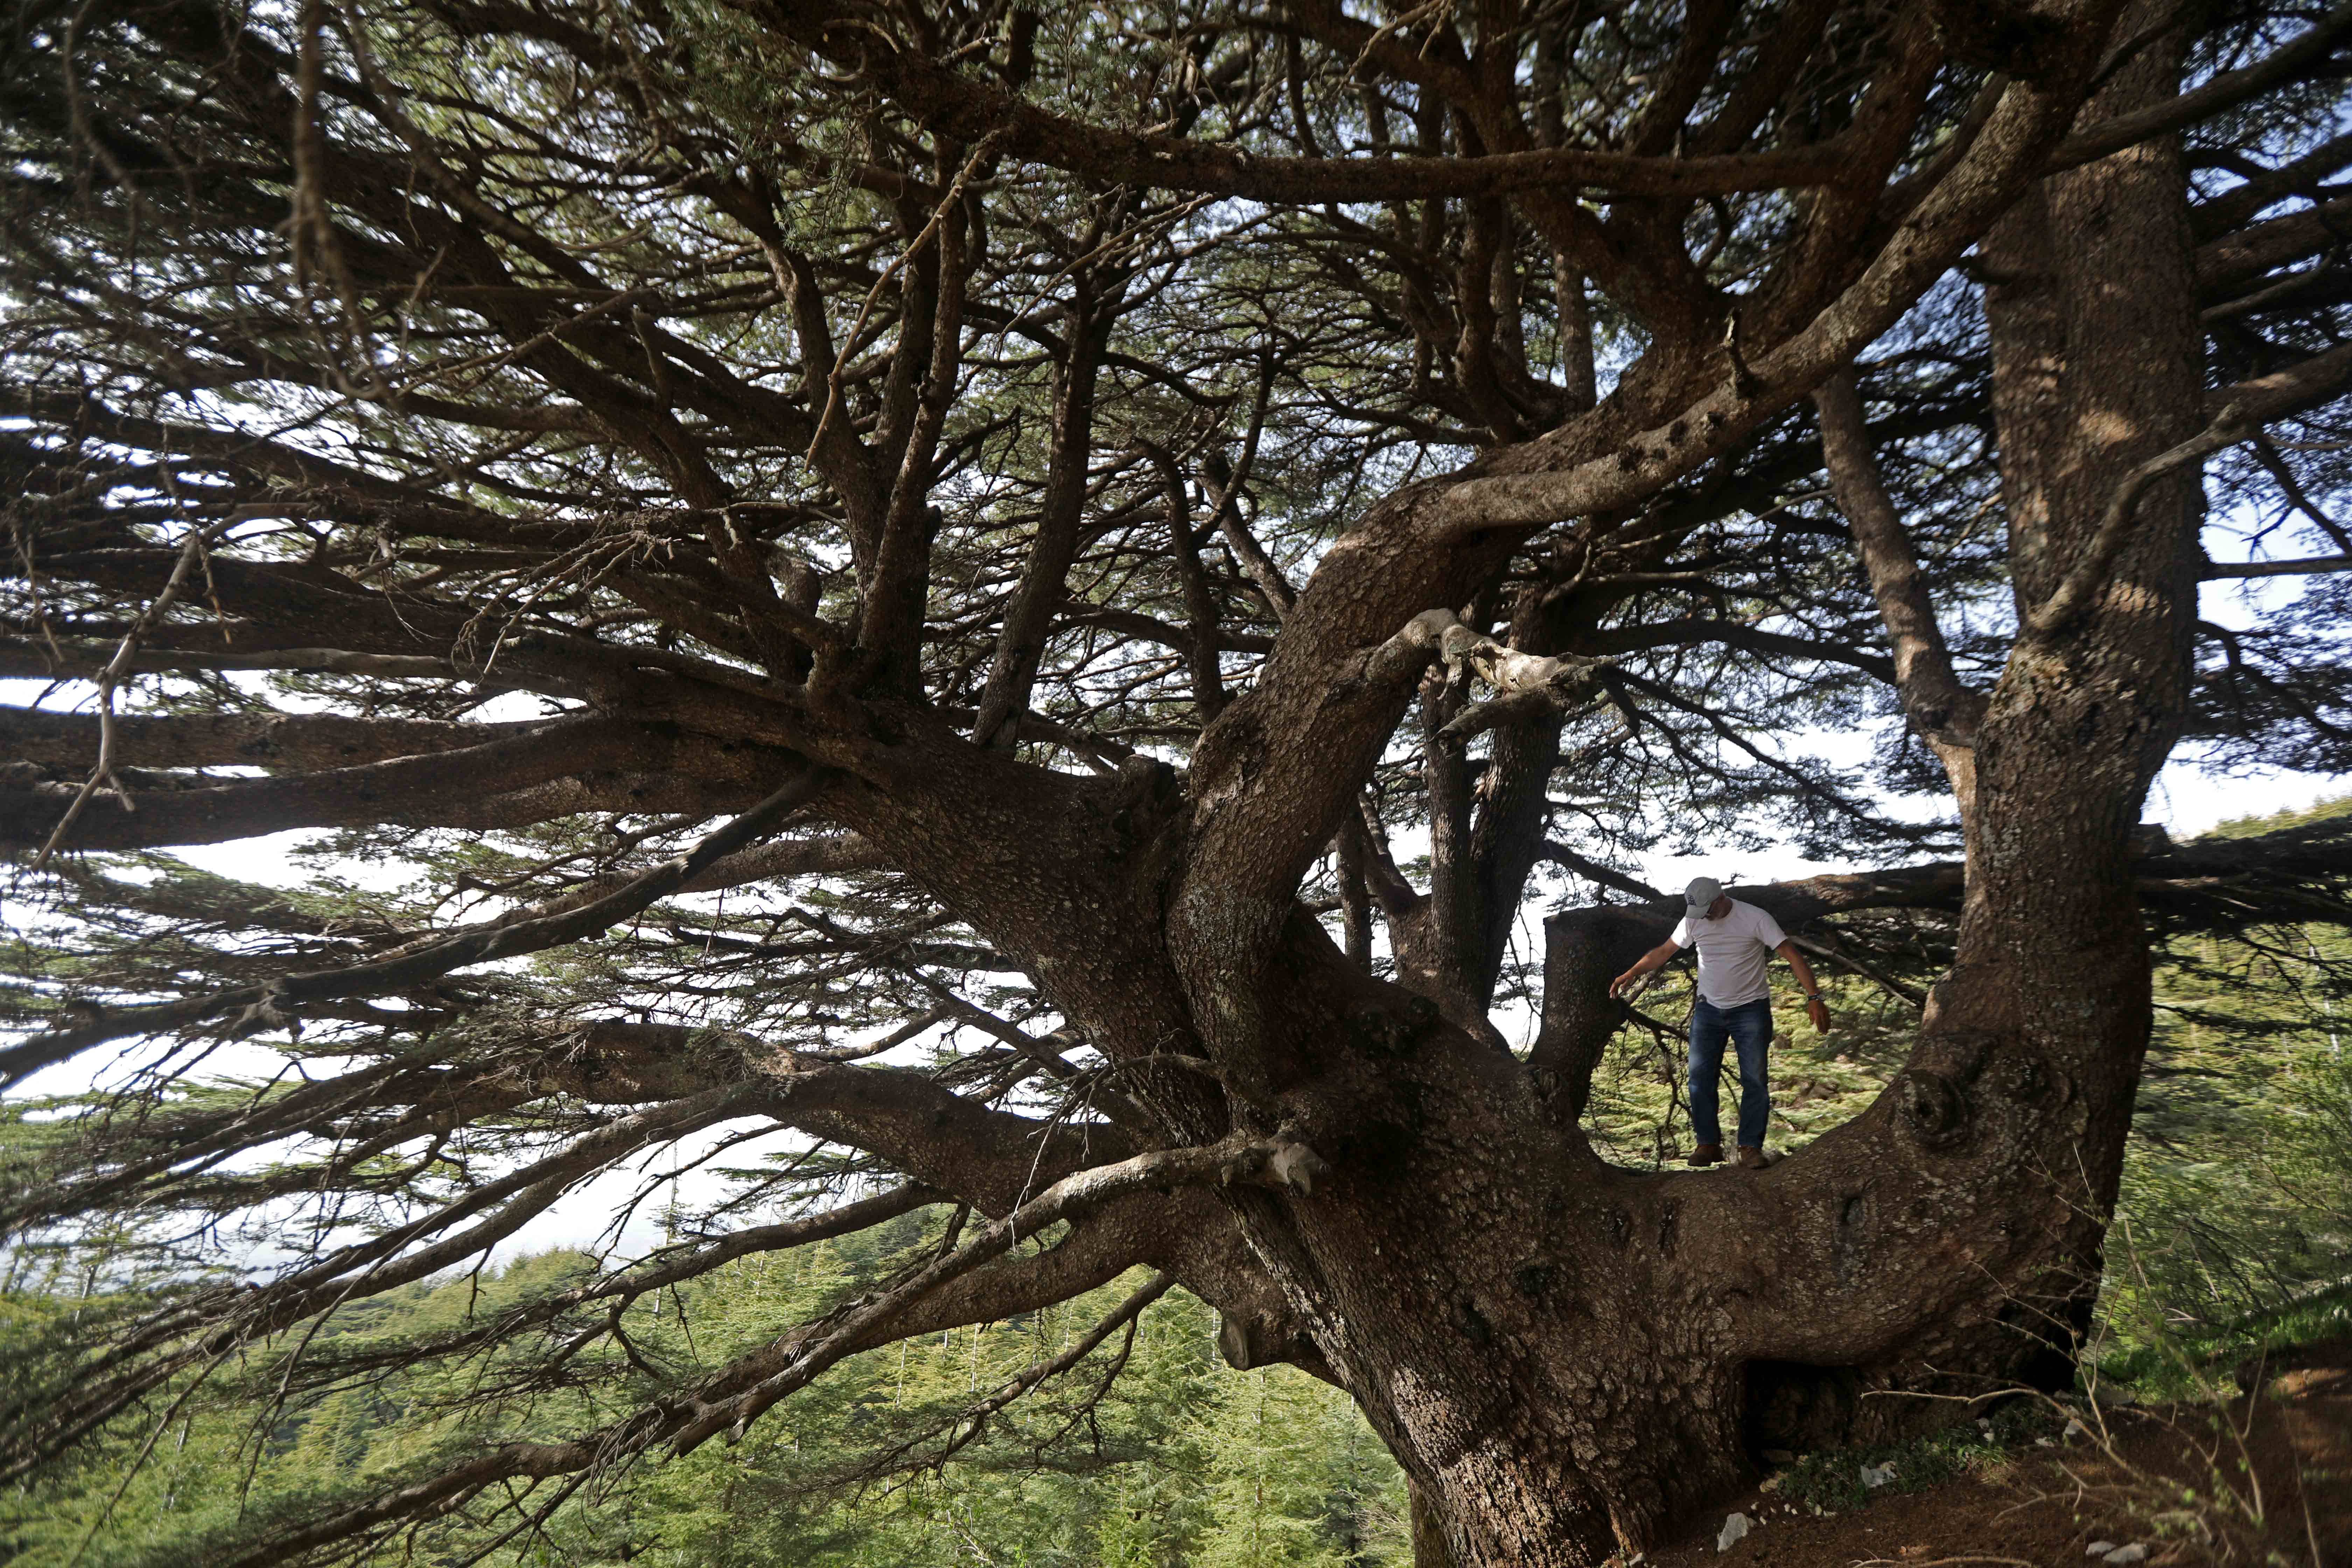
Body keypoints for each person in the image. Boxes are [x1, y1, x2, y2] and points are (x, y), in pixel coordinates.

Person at [1607, 876, 1830, 1170]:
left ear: (1721, 898)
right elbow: (1664, 951)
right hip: (1709, 1010)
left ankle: (1750, 1148)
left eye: (1708, 910)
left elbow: (1791, 954)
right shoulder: (1694, 920)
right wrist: (1632, 973)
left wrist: (1814, 996)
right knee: (1699, 1079)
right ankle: (1708, 1144)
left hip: (1751, 1010)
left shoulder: (1755, 918)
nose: (1705, 917)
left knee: (1754, 1079)